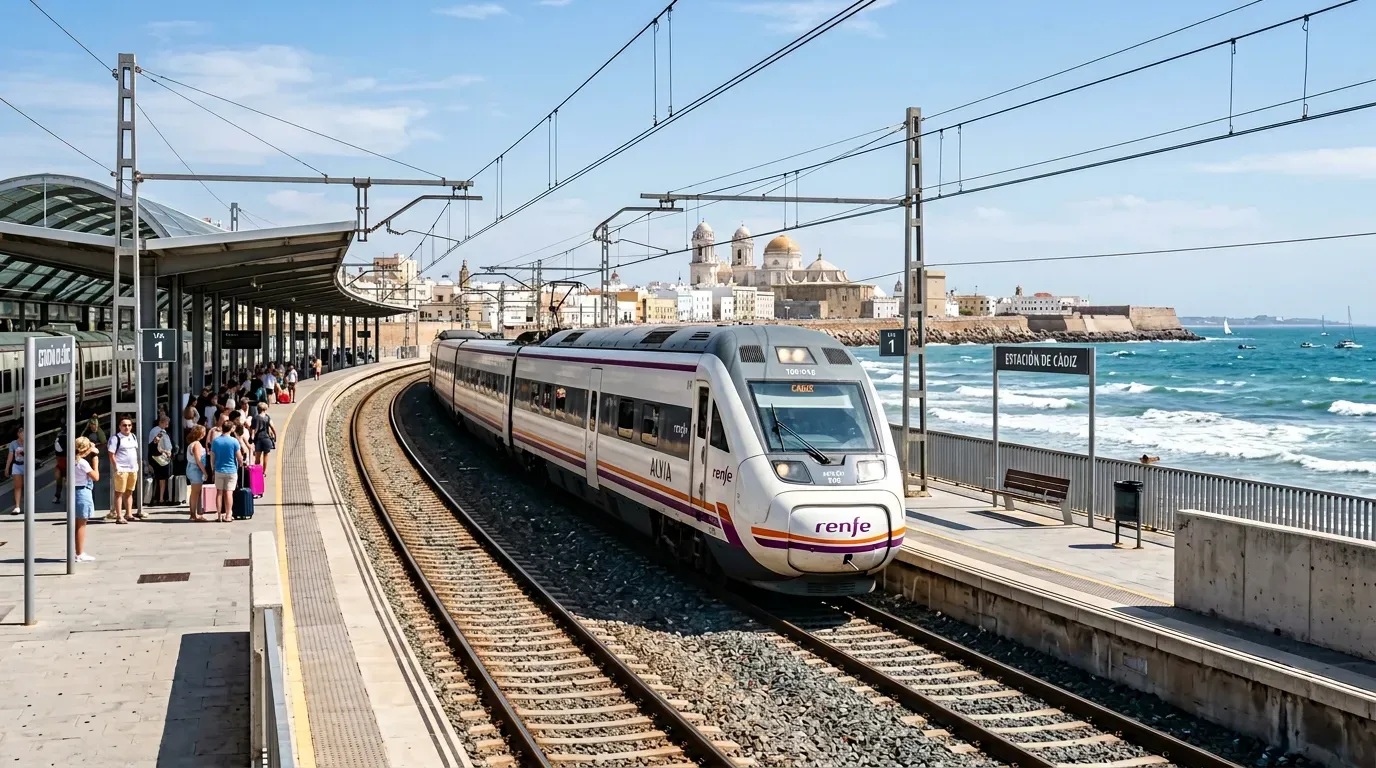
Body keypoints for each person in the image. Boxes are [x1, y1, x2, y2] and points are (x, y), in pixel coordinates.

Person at [208, 422, 244, 523]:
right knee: (229, 492)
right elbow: (239, 457)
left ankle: (219, 515)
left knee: (219, 492)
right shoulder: (234, 441)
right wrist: (241, 463)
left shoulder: (216, 441)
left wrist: (213, 469)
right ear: (231, 429)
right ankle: (228, 515)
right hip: (231, 470)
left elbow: (212, 457)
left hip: (219, 470)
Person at [107, 417, 141, 523]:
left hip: (133, 469)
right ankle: (119, 516)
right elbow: (111, 454)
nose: (127, 427)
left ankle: (129, 514)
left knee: (129, 492)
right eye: (124, 425)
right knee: (119, 493)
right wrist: (116, 467)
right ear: (120, 427)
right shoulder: (115, 438)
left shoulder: (133, 436)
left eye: (129, 425)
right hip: (121, 469)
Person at [72, 437, 100, 561]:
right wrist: (95, 461)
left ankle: (78, 551)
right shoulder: (83, 463)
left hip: (74, 491)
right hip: (83, 492)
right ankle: (79, 553)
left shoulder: (72, 460)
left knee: (77, 524)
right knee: (81, 525)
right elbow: (96, 477)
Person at [148, 416, 174, 507]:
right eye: (166, 423)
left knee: (159, 478)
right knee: (162, 478)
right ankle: (161, 498)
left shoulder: (155, 430)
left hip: (156, 457)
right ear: (161, 422)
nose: (167, 425)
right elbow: (157, 445)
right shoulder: (159, 432)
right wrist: (166, 451)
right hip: (159, 458)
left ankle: (158, 497)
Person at [185, 425, 209, 522]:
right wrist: (205, 472)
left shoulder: (192, 444)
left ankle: (195, 513)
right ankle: (193, 515)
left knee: (195, 492)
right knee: (195, 493)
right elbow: (198, 460)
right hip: (196, 469)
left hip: (191, 468)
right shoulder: (197, 445)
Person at [251, 401, 276, 482]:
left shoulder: (255, 418)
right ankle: (263, 472)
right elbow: (272, 427)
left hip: (258, 439)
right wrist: (275, 436)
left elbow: (252, 429)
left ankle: (257, 471)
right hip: (266, 438)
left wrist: (251, 438)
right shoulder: (267, 417)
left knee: (257, 457)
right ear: (265, 409)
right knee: (266, 456)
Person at [5, 426, 24, 515]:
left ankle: (29, 505)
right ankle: (17, 507)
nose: (23, 436)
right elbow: (10, 456)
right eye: (22, 434)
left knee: (27, 486)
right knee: (17, 486)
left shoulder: (29, 442)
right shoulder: (13, 443)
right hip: (17, 465)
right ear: (18, 434)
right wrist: (7, 468)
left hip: (27, 466)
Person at [53, 427, 67, 505]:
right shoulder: (59, 439)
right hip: (60, 464)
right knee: (59, 481)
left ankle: (58, 496)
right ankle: (57, 496)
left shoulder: (64, 438)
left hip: (67, 464)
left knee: (68, 482)